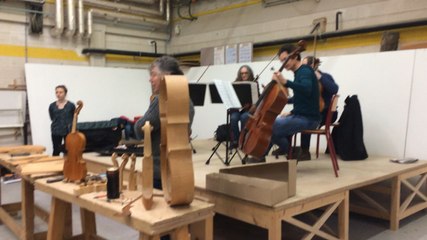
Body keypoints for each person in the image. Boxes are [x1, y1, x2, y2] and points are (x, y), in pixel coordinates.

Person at [134, 56, 195, 190]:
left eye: (154, 74)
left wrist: (150, 107)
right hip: (180, 170)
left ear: (166, 76)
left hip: (158, 172)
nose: (150, 79)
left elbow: (139, 130)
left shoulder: (160, 101)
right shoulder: (188, 101)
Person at [264, 44, 320, 161]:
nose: (284, 64)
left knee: (270, 127)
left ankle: (291, 151)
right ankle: (290, 150)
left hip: (309, 119)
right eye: (282, 61)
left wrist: (285, 82)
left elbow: (307, 89)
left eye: (285, 59)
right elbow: (302, 98)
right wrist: (292, 110)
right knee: (269, 123)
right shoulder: (299, 72)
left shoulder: (304, 71)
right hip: (300, 115)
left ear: (295, 56)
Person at [296, 56, 339, 160]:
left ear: (313, 66)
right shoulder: (305, 79)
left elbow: (334, 89)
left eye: (305, 66)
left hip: (327, 114)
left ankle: (305, 151)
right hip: (315, 112)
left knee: (306, 119)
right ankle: (288, 147)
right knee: (293, 117)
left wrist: (319, 76)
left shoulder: (325, 76)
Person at [230, 65, 255, 148]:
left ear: (249, 73)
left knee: (244, 117)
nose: (243, 75)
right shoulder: (235, 83)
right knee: (233, 118)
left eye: (246, 73)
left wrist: (250, 104)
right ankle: (235, 140)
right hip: (237, 109)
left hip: (248, 110)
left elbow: (256, 100)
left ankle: (243, 139)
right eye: (242, 73)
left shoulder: (254, 83)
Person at [49, 85, 75, 156]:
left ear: (65, 93)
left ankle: (67, 166)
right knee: (56, 150)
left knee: (68, 150)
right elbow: (52, 117)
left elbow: (73, 117)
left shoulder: (71, 105)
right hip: (56, 130)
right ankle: (55, 166)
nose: (58, 94)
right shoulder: (52, 106)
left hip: (68, 131)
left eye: (61, 92)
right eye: (57, 92)